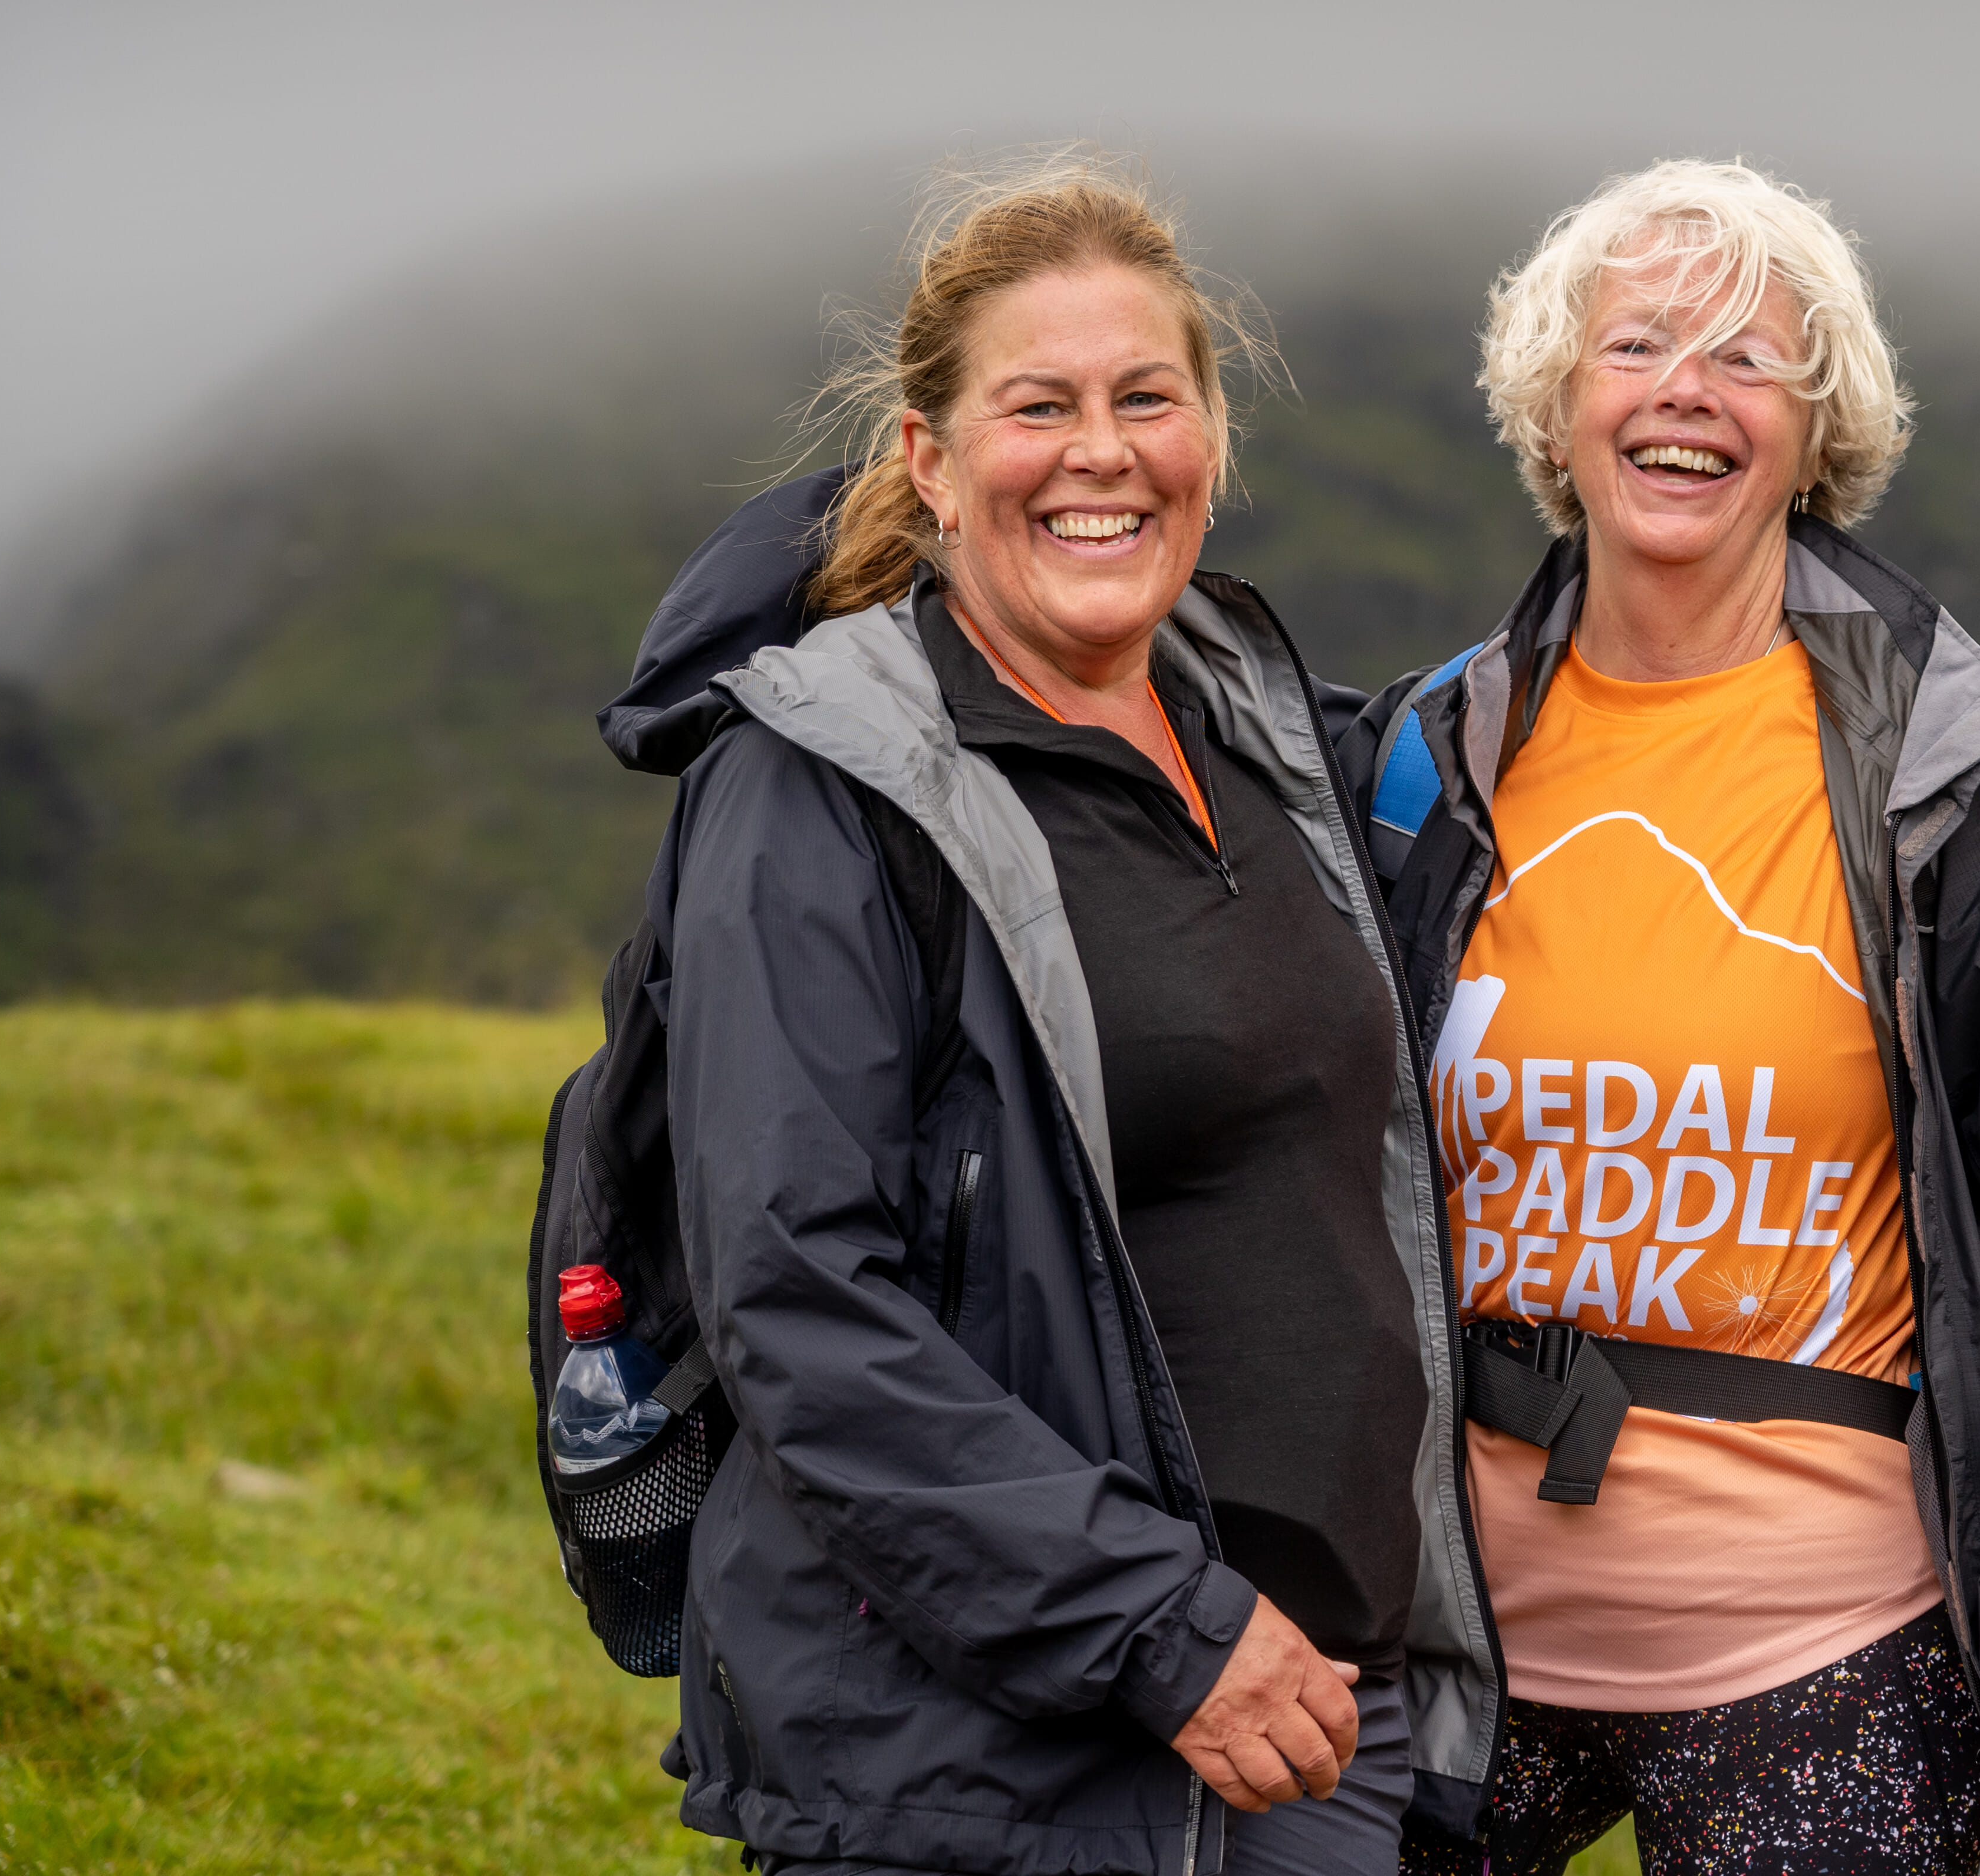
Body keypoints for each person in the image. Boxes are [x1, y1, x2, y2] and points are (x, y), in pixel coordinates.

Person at [592, 164, 1503, 1874]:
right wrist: (1167, 1633)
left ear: (1212, 439)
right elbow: (798, 1298)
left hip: (1320, 1720)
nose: (1103, 453)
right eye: (1039, 407)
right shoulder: (814, 788)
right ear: (932, 461)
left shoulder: (1271, 748)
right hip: (999, 1764)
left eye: (1147, 400)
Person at [1346, 160, 1980, 1876]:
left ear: (1820, 432)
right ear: (1557, 405)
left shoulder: (1947, 768)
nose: (1685, 391)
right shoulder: (1422, 756)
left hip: (1825, 1658)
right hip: (1443, 1648)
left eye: (1749, 359)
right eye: (1636, 346)